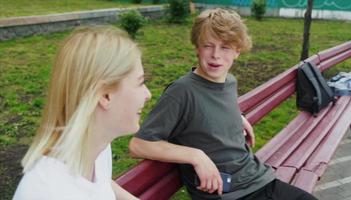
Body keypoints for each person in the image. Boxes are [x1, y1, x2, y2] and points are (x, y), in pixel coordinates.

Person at [129, 8, 318, 200]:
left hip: (259, 179)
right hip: (227, 193)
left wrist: (237, 117)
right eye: (208, 45)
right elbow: (139, 145)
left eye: (225, 47)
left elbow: (212, 109)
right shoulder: (182, 92)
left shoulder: (229, 81)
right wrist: (196, 156)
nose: (215, 55)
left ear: (237, 51)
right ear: (197, 47)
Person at [13, 26, 151, 200]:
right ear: (105, 95)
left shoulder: (97, 149)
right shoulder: (45, 192)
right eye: (140, 82)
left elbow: (100, 185)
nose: (148, 94)